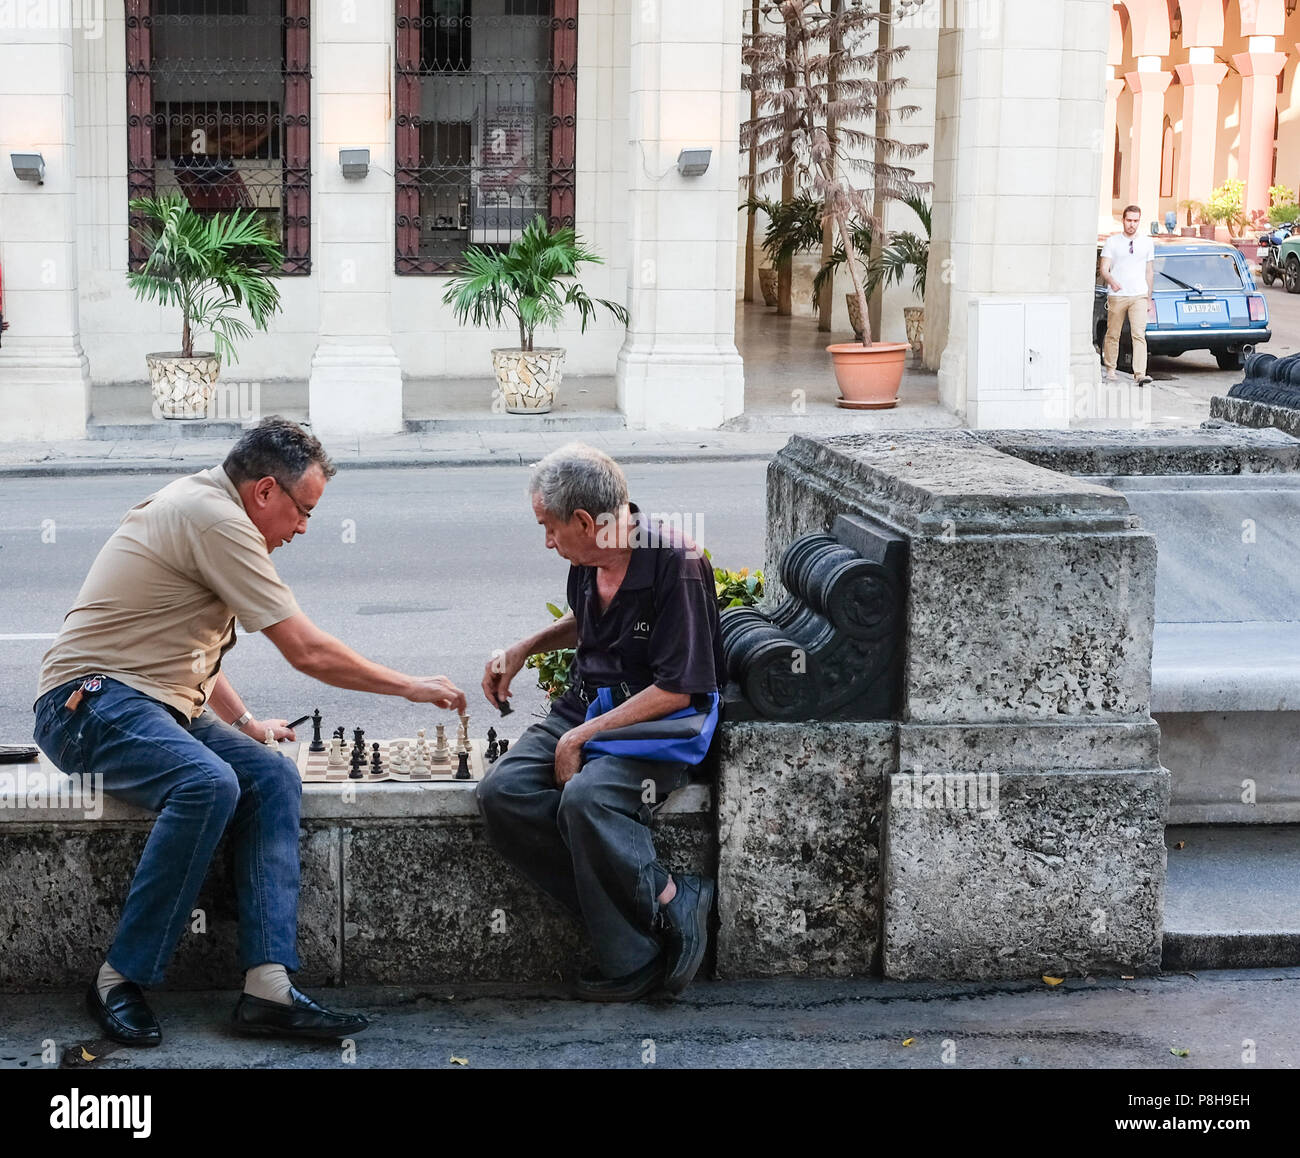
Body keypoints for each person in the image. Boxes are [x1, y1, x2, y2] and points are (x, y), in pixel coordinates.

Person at [33, 416, 466, 1046]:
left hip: (154, 703)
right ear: (265, 491)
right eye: (303, 510)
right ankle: (118, 977)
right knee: (208, 783)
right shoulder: (216, 519)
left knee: (269, 775)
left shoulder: (210, 509)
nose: (304, 529)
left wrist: (243, 723)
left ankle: (267, 986)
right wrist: (409, 686)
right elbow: (308, 652)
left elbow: (185, 642)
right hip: (85, 705)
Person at [477, 444, 720, 1002]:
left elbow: (679, 688)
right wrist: (524, 646)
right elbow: (589, 622)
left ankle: (629, 958)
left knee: (585, 801)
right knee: (503, 794)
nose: (547, 542)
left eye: (550, 528)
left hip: (660, 723)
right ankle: (668, 895)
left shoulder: (675, 564)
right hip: (588, 703)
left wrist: (582, 736)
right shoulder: (588, 557)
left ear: (586, 522)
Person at [1100, 203, 1156, 387]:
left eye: (1136, 221)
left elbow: (1149, 271)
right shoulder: (1112, 242)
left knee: (1139, 334)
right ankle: (1110, 368)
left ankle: (1140, 373)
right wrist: (1112, 281)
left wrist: (1149, 297)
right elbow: (1104, 269)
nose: (1132, 224)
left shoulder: (1147, 242)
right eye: (1129, 220)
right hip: (1118, 295)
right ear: (1123, 220)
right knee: (1113, 333)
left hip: (1139, 294)